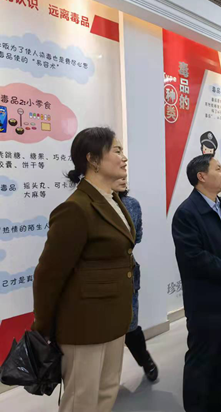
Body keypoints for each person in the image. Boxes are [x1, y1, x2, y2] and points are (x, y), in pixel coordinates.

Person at [32, 127, 134, 412]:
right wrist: (43, 328)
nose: (124, 157)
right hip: (84, 325)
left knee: (107, 391)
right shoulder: (76, 208)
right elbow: (48, 275)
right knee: (81, 400)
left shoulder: (112, 200)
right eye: (117, 150)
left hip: (113, 318)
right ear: (93, 159)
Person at [172, 154, 221, 412]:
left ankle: (219, 403)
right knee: (202, 359)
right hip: (205, 301)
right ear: (201, 176)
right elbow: (194, 258)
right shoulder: (187, 212)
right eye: (218, 168)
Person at [111, 178, 159, 382]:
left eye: (124, 174)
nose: (123, 178)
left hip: (127, 272)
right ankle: (108, 378)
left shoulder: (131, 204)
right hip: (97, 280)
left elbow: (136, 237)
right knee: (104, 329)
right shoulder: (87, 204)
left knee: (130, 323)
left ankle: (145, 360)